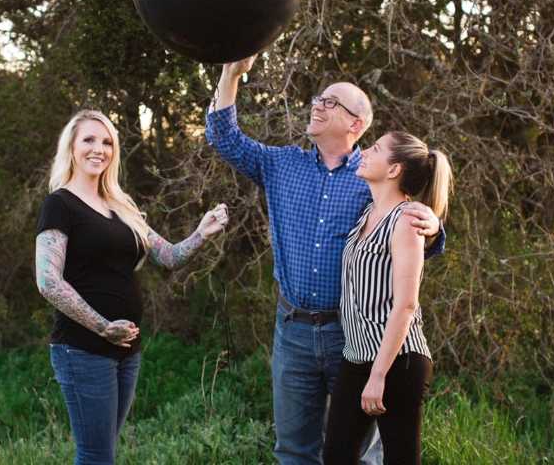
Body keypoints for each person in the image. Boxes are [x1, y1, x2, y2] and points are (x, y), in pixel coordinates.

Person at [205, 56, 445, 465]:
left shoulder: (371, 177)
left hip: (351, 335)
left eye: (330, 102)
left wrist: (436, 227)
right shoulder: (281, 165)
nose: (317, 104)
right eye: (319, 97)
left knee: (362, 454)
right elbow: (224, 136)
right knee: (294, 450)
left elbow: (410, 232)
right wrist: (231, 74)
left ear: (355, 125)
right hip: (293, 329)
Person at [35, 109, 228, 465]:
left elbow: (168, 256)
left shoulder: (121, 205)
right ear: (72, 148)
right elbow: (48, 281)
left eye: (107, 141)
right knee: (96, 455)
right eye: (89, 140)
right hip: (82, 349)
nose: (99, 149)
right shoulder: (59, 204)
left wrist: (202, 233)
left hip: (127, 349)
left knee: (105, 450)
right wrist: (102, 327)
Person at [322, 132, 452, 465]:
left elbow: (406, 304)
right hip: (356, 356)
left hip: (397, 361)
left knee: (400, 459)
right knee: (336, 454)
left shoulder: (407, 220)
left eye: (376, 148)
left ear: (394, 169)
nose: (365, 151)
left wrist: (378, 375)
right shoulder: (367, 214)